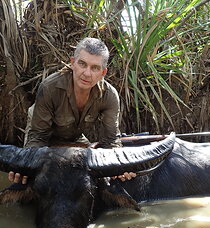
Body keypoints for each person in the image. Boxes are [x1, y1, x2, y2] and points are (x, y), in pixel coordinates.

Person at [9, 37, 135, 184]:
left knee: (90, 174)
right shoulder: (49, 87)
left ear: (103, 72)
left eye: (95, 68)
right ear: (73, 63)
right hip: (44, 136)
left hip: (74, 137)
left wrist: (119, 165)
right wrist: (28, 162)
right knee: (29, 178)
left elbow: (111, 140)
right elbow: (38, 136)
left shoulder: (110, 96)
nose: (87, 73)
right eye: (82, 64)